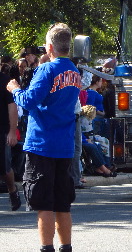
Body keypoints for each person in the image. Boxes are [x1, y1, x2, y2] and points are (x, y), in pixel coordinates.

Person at [7, 23, 81, 252]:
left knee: (43, 203)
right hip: (65, 145)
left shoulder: (47, 70)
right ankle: (66, 247)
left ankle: (47, 247)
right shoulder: (74, 71)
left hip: (42, 144)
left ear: (50, 46)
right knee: (63, 202)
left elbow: (29, 101)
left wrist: (14, 89)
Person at [0, 64, 20, 210]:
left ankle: (12, 189)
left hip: (2, 130)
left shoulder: (5, 81)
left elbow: (12, 106)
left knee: (4, 168)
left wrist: (12, 131)